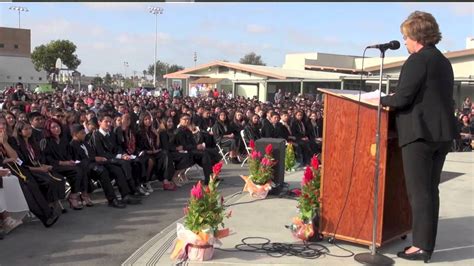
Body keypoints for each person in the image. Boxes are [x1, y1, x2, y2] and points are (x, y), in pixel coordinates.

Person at [379, 11, 456, 262]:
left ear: (417, 36)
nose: (404, 42)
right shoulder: (442, 61)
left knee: (420, 192)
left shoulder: (418, 60)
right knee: (430, 191)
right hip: (440, 135)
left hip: (419, 135)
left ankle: (422, 246)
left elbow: (402, 98)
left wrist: (380, 100)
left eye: (406, 37)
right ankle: (426, 243)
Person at [68, 124, 126, 208]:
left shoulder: (85, 143)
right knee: (102, 171)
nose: (84, 134)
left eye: (84, 132)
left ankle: (125, 194)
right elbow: (77, 161)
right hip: (86, 168)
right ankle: (112, 199)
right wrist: (94, 159)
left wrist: (97, 158)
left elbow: (92, 154)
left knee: (115, 168)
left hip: (94, 163)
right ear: (75, 134)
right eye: (82, 133)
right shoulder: (72, 145)